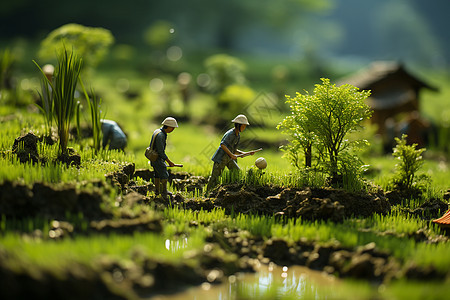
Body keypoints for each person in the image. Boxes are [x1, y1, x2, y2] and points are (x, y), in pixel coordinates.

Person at [206, 114, 257, 192]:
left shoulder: (237, 135)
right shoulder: (230, 134)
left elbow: (233, 149)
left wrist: (245, 153)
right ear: (238, 125)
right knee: (215, 177)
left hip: (228, 158)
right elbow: (222, 145)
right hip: (221, 158)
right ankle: (208, 192)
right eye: (243, 126)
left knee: (236, 171)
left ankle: (231, 187)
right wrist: (231, 155)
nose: (244, 128)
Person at [150, 117, 183, 200]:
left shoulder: (157, 131)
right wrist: (169, 162)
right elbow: (161, 152)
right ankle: (164, 192)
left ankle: (157, 191)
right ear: (167, 126)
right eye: (172, 128)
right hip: (157, 159)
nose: (172, 130)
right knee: (164, 174)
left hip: (153, 158)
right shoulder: (161, 135)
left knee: (157, 174)